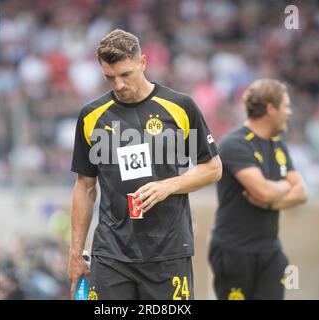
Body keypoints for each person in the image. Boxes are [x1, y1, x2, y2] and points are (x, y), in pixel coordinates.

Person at [68, 29, 222, 300]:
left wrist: (167, 186)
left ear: (143, 62)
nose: (117, 85)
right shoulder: (91, 116)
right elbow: (85, 186)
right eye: (109, 77)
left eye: (125, 75)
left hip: (168, 251)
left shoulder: (180, 106)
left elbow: (213, 168)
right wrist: (76, 252)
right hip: (111, 253)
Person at [208, 79, 308, 300]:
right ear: (271, 109)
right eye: (286, 106)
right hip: (234, 251)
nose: (290, 113)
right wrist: (284, 186)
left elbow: (302, 192)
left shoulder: (278, 145)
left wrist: (272, 200)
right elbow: (263, 191)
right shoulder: (235, 143)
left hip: (271, 251)